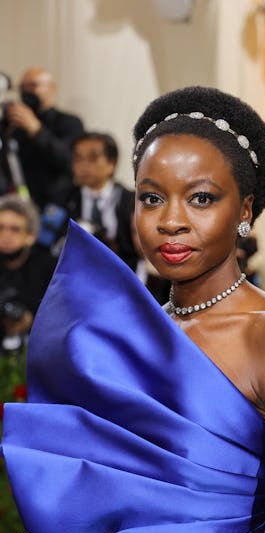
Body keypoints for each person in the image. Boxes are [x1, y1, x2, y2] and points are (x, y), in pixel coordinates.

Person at [1, 86, 265, 533]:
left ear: (245, 211)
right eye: (152, 198)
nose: (171, 221)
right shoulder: (126, 342)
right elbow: (115, 520)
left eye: (201, 198)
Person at [0, 67, 84, 208]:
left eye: (33, 85)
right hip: (18, 204)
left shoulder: (69, 122)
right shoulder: (12, 127)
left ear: (52, 88)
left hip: (57, 205)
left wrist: (36, 130)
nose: (27, 91)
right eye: (23, 87)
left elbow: (68, 161)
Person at [52, 131, 138, 268]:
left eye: (92, 158)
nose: (83, 165)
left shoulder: (131, 201)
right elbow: (49, 243)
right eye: (78, 158)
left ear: (112, 163)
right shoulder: (62, 197)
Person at [0, 194, 57, 352]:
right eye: (1, 228)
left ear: (31, 235)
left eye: (15, 229)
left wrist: (31, 321)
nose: (6, 235)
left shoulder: (49, 267)